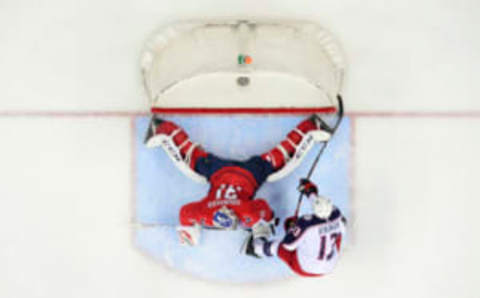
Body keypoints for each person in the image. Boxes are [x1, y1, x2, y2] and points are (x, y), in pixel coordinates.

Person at [144, 116, 332, 246]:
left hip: (247, 173)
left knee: (278, 159)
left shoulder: (243, 214)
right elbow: (185, 213)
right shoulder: (206, 213)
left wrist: (260, 228)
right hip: (218, 170)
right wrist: (189, 231)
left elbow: (265, 210)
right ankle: (163, 128)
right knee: (193, 157)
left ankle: (310, 126)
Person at [243, 179, 347, 277]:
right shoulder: (336, 214)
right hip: (329, 266)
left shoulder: (306, 223)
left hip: (304, 268)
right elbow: (340, 225)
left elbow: (288, 245)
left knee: (278, 247)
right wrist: (310, 192)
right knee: (333, 234)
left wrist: (291, 229)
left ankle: (255, 248)